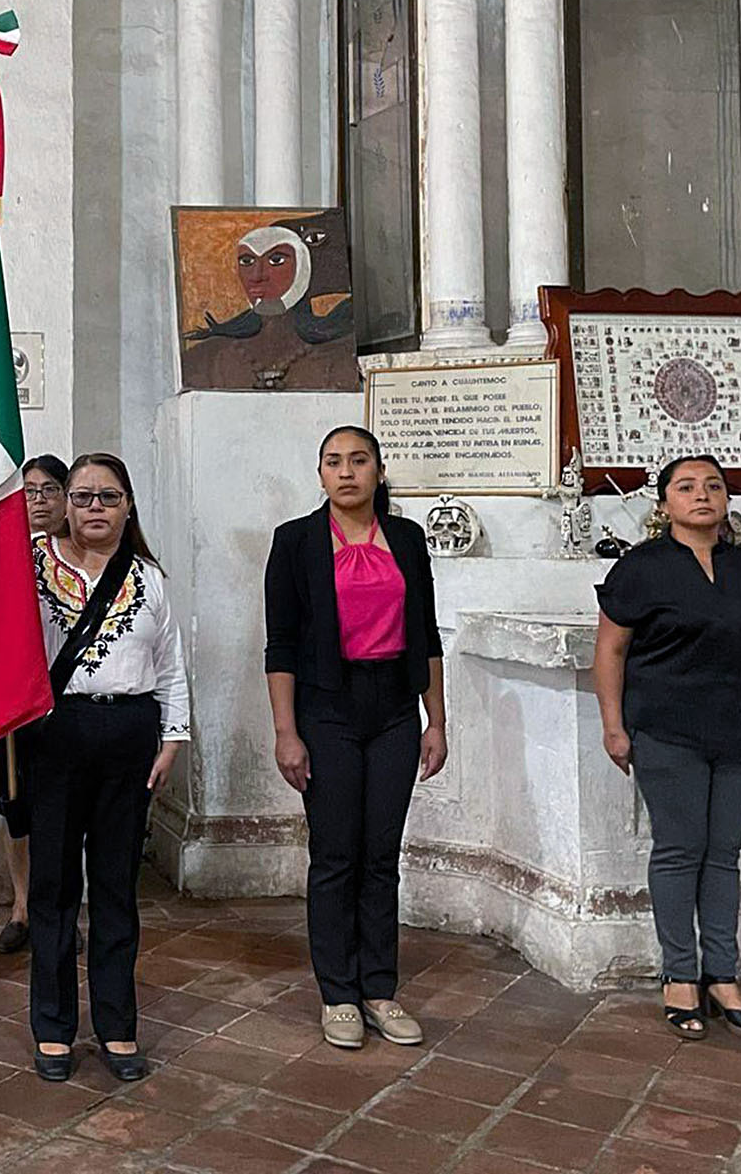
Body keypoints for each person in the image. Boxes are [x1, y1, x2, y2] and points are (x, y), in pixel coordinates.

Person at [594, 454, 741, 1040]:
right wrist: (613, 725)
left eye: (713, 486)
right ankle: (679, 975)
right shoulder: (640, 569)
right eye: (686, 486)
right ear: (664, 502)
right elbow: (610, 651)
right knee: (679, 850)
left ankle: (722, 975)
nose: (702, 495)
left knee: (724, 854)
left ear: (726, 500)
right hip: (667, 732)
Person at [264, 426, 446, 1051]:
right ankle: (338, 993)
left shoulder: (407, 539)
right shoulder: (296, 541)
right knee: (336, 854)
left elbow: (426, 635)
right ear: (320, 474)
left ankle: (379, 989)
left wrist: (436, 721)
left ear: (378, 470)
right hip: (326, 710)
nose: (346, 472)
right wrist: (287, 732)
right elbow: (281, 645)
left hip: (394, 710)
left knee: (381, 855)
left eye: (359, 460)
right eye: (334, 462)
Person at [29, 452, 189, 1084]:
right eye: (83, 496)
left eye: (109, 497)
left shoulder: (148, 577)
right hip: (56, 734)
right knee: (53, 887)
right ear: (65, 505)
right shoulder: (31, 566)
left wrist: (172, 740)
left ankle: (118, 1025)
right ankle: (52, 1028)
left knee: (117, 885)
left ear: (128, 507)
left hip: (130, 735)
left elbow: (170, 665)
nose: (95, 507)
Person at [0, 453, 70, 955]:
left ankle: (62, 908)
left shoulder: (79, 556)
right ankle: (22, 907)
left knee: (65, 812)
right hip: (13, 702)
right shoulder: (3, 557)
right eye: (29, 491)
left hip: (65, 699)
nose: (39, 500)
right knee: (17, 809)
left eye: (50, 489)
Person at [181, 220, 361, 391]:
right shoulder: (207, 358)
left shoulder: (339, 353)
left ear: (303, 268)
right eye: (247, 261)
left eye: (276, 260)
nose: (257, 276)